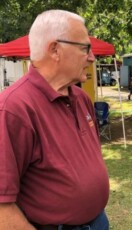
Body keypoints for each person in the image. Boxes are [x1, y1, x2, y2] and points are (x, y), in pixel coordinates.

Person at [0, 10, 110, 230]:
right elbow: (3, 208)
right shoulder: (13, 108)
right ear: (55, 50)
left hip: (98, 221)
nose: (92, 57)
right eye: (85, 48)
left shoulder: (81, 98)